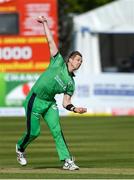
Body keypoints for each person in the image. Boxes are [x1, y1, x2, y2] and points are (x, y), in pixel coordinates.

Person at [16, 16, 87, 171]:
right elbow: (50, 41)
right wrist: (45, 23)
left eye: (81, 61)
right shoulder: (58, 62)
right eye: (77, 60)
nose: (79, 63)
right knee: (34, 132)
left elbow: (65, 102)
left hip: (49, 104)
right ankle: (20, 148)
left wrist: (75, 109)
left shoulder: (71, 83)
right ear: (70, 60)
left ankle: (67, 160)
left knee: (57, 131)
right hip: (34, 99)